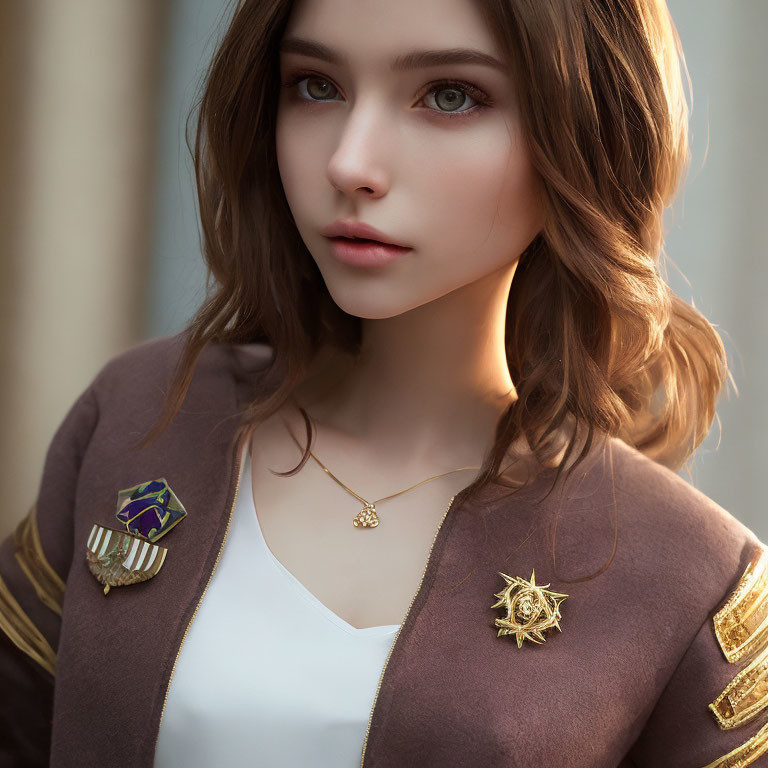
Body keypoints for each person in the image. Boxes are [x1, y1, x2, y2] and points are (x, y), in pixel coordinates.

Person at [1, 0, 766, 765]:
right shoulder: (140, 415)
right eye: (316, 85)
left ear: (587, 129)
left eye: (450, 95)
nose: (350, 163)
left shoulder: (690, 578)